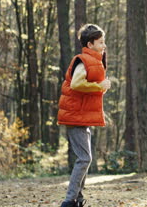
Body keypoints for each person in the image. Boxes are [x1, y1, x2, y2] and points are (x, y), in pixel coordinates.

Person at [57, 24, 111, 207]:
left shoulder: (93, 60)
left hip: (82, 117)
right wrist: (99, 86)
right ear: (90, 44)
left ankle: (78, 200)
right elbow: (76, 84)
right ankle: (69, 201)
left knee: (85, 158)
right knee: (85, 158)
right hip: (75, 116)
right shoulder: (83, 60)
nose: (104, 45)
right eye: (101, 42)